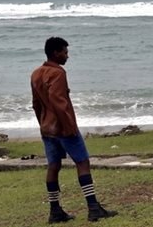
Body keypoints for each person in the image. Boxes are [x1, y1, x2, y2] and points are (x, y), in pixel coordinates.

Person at [31, 37, 117, 223]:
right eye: (65, 52)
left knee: (53, 166)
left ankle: (55, 211)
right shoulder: (58, 74)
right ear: (56, 53)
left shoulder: (36, 74)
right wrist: (69, 127)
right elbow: (59, 103)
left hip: (47, 128)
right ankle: (93, 208)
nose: (67, 56)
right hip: (63, 128)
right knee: (82, 163)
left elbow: (36, 104)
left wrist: (43, 124)